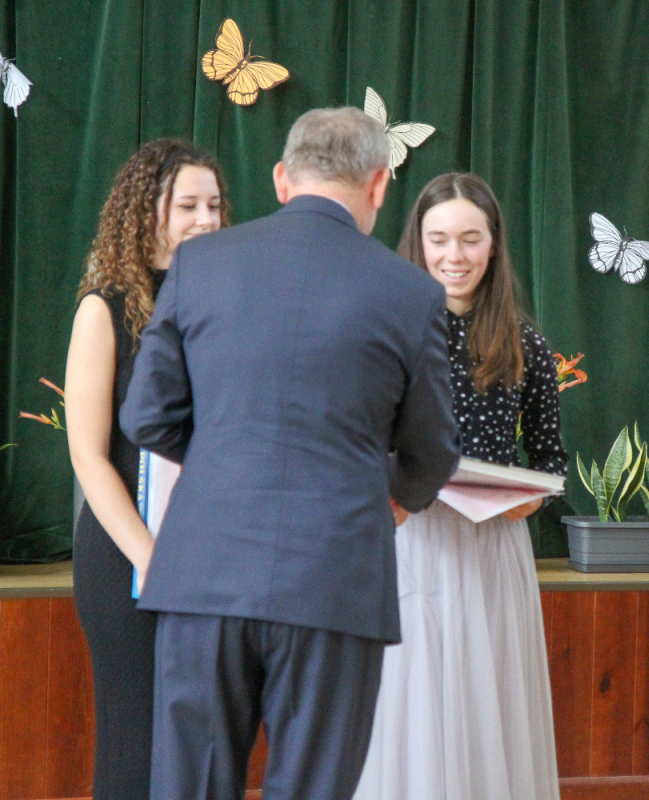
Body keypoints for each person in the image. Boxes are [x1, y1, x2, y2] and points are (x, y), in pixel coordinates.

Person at [119, 108, 460, 800]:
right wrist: (391, 492)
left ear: (281, 178)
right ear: (379, 184)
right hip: (336, 580)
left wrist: (222, 456)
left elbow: (146, 416)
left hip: (205, 574)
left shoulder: (199, 263)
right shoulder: (413, 293)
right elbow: (433, 451)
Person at [353, 172, 566, 800]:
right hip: (407, 540)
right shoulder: (385, 330)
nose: (455, 255)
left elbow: (550, 460)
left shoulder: (524, 341)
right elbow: (357, 438)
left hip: (490, 550)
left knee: (484, 699)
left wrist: (531, 497)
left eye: (470, 239)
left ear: (493, 244)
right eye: (439, 239)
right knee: (409, 698)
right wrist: (387, 490)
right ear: (417, 243)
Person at [65, 138, 226, 800]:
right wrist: (150, 558)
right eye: (187, 205)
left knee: (208, 746)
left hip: (212, 557)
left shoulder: (228, 305)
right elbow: (88, 453)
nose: (206, 220)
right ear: (143, 212)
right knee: (136, 745)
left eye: (215, 205)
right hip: (128, 558)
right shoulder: (103, 308)